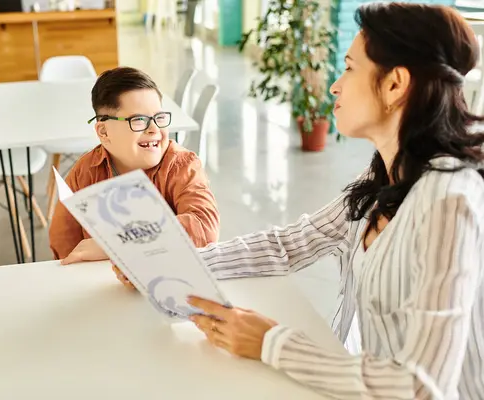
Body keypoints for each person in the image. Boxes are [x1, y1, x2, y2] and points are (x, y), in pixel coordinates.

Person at [186, 3, 484, 399]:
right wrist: (178, 264)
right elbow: (288, 245)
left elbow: (421, 386)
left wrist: (272, 343)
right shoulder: (384, 174)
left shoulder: (450, 199)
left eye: (349, 67)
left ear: (395, 84)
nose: (334, 85)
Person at [49, 67, 220, 277]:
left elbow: (204, 228)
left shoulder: (182, 166)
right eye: (138, 120)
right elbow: (64, 242)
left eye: (159, 118)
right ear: (104, 132)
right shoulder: (85, 172)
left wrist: (113, 244)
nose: (154, 129)